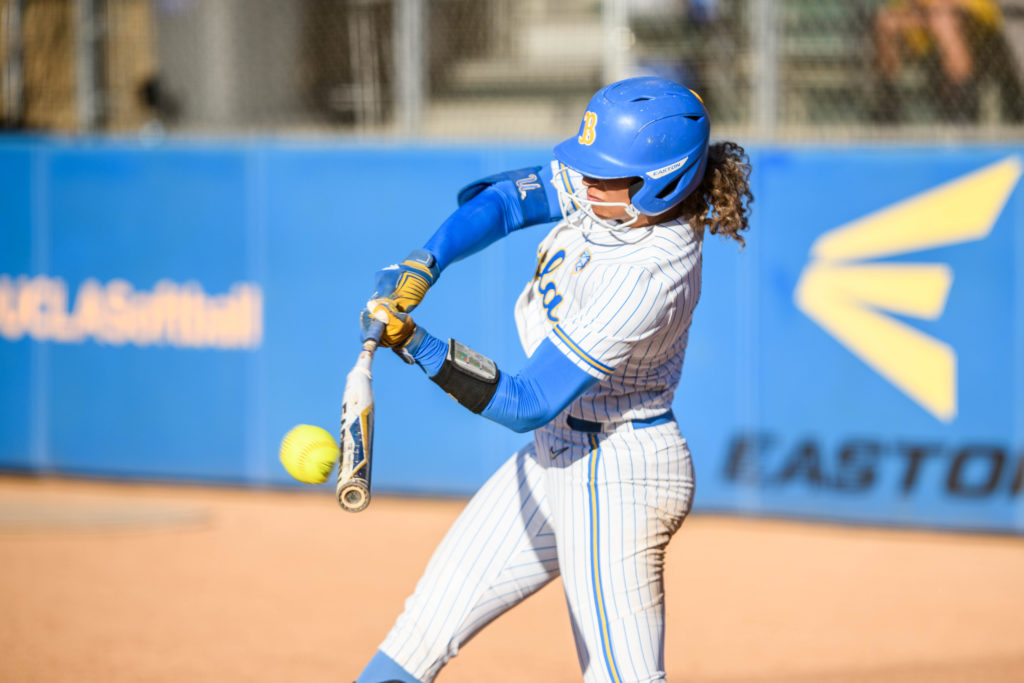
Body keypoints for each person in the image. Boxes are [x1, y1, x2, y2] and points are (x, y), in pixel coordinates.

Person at [353, 76, 752, 683]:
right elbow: (506, 201)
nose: (584, 181)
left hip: (617, 471)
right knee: (420, 634)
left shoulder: (651, 271)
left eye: (604, 174)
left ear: (661, 181)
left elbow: (527, 401)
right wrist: (425, 262)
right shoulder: (614, 191)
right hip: (557, 456)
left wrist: (418, 344)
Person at [872, 0, 1024, 123]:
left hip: (972, 23)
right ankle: (887, 104)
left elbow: (985, 8)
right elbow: (899, 6)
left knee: (943, 22)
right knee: (886, 21)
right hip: (926, 20)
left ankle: (962, 113)